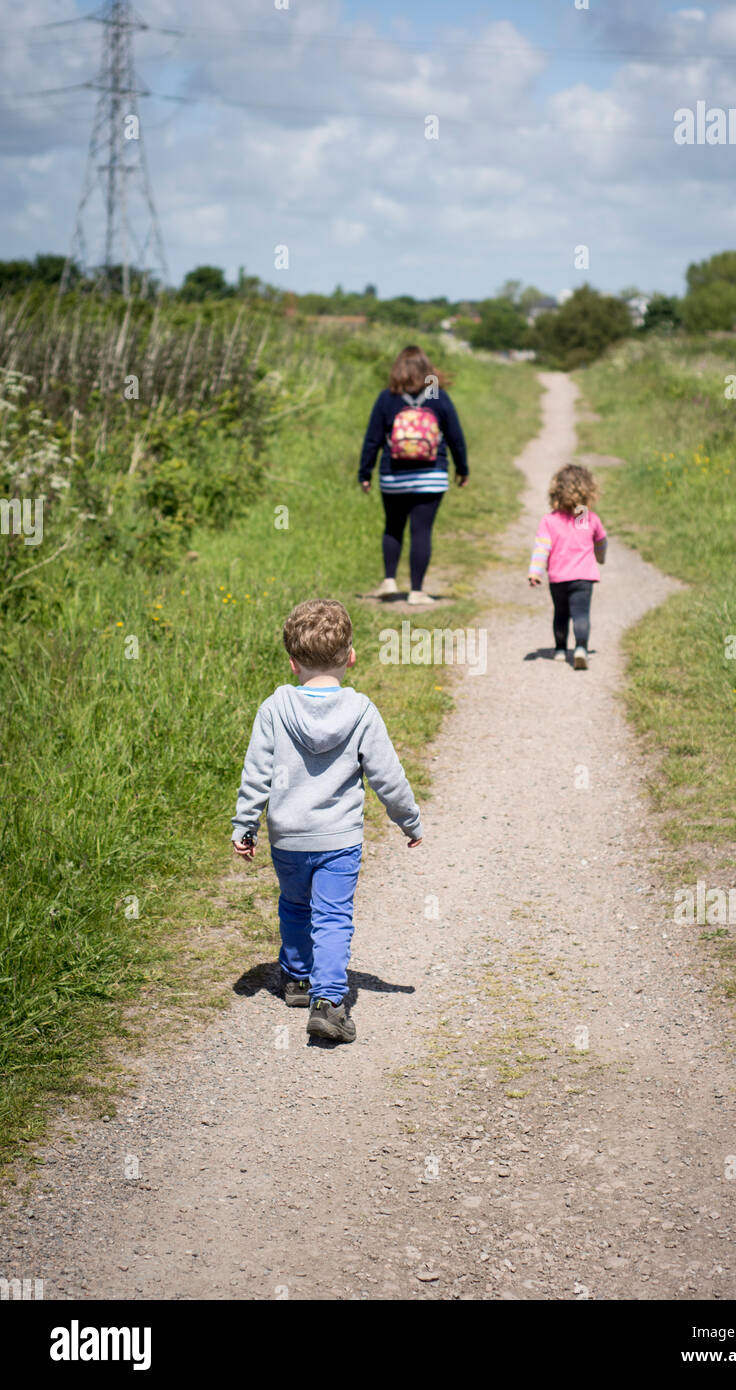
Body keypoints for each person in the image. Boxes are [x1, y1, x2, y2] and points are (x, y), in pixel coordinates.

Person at [231, 599, 423, 1043]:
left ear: (292, 662)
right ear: (350, 657)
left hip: (288, 839)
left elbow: (256, 774)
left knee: (295, 906)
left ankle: (297, 979)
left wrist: (245, 825)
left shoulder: (274, 709)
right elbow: (387, 777)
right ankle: (329, 1001)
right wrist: (408, 820)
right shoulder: (361, 712)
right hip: (339, 840)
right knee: (332, 917)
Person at [358, 344, 468, 605]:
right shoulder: (439, 398)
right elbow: (456, 439)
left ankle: (389, 581)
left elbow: (372, 440)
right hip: (431, 477)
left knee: (393, 527)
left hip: (393, 477)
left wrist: (365, 472)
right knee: (421, 531)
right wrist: (462, 469)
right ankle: (417, 591)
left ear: (397, 369)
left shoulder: (387, 399)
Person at [528, 464, 607, 669]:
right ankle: (581, 648)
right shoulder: (584, 518)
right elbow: (599, 540)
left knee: (561, 613)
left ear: (555, 492)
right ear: (589, 491)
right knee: (581, 614)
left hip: (559, 578)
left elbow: (542, 548)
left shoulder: (550, 520)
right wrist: (600, 557)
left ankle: (561, 650)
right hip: (583, 577)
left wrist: (535, 572)